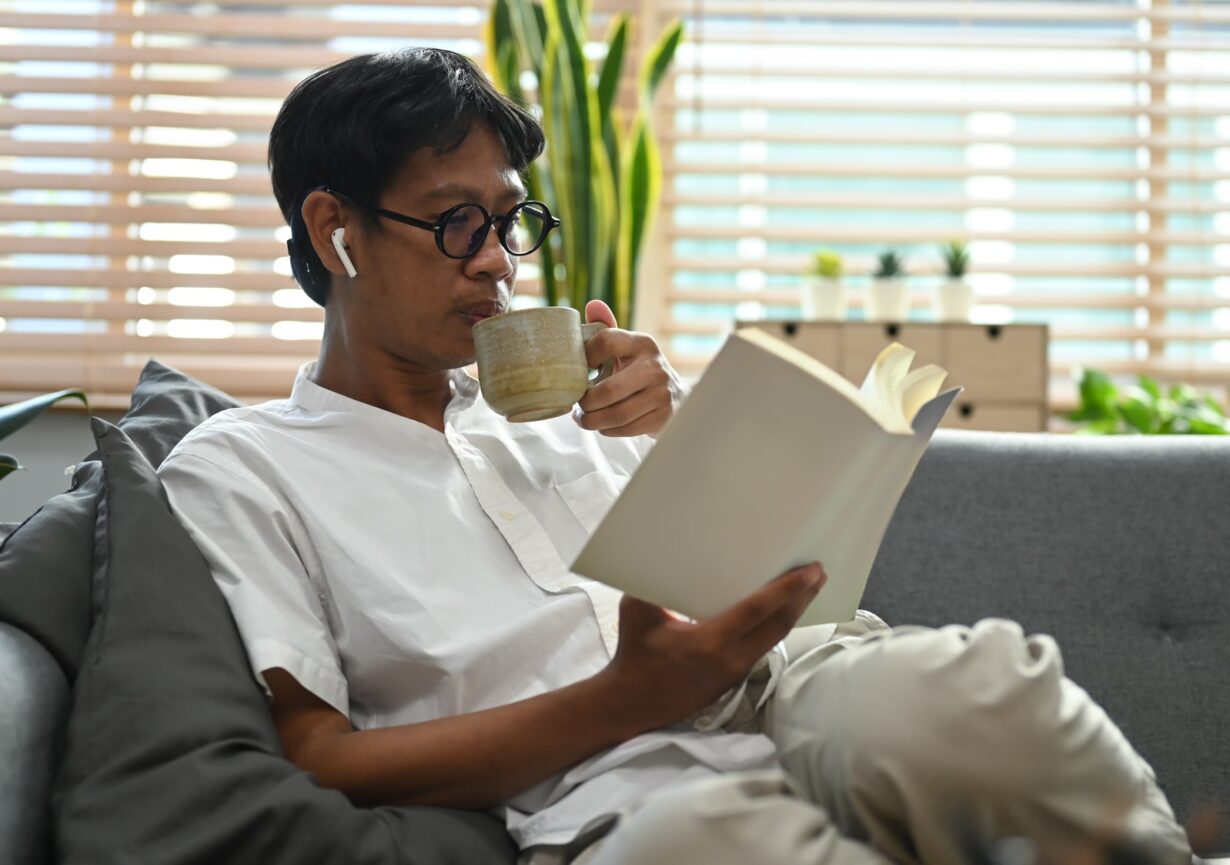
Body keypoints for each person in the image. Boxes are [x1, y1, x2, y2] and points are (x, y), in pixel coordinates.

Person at [158, 47, 1192, 865]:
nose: (495, 264)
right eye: (454, 222)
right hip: (611, 766)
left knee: (961, 693)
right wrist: (623, 698)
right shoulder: (241, 467)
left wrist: (677, 424)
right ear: (334, 230)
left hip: (794, 680)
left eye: (510, 223)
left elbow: (759, 559)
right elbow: (318, 754)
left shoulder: (575, 394)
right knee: (701, 846)